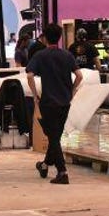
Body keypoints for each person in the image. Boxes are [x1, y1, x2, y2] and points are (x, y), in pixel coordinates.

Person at [26, 23, 84, 185]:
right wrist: (71, 91)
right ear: (59, 37)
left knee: (53, 137)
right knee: (55, 136)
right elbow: (79, 76)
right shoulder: (67, 55)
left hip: (48, 102)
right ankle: (44, 165)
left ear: (44, 37)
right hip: (65, 102)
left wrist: (35, 95)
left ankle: (62, 172)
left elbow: (30, 76)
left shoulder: (40, 56)